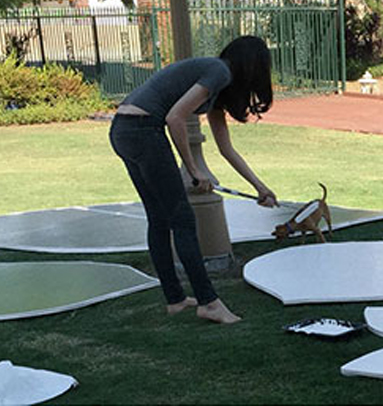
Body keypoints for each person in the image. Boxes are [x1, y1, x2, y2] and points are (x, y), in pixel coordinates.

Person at [109, 35, 278, 325]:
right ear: (251, 67)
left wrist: (260, 187)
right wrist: (194, 170)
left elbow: (226, 149)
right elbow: (175, 117)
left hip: (123, 130)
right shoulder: (219, 70)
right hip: (143, 130)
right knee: (183, 220)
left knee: (160, 219)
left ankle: (175, 300)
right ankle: (209, 303)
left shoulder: (216, 90)